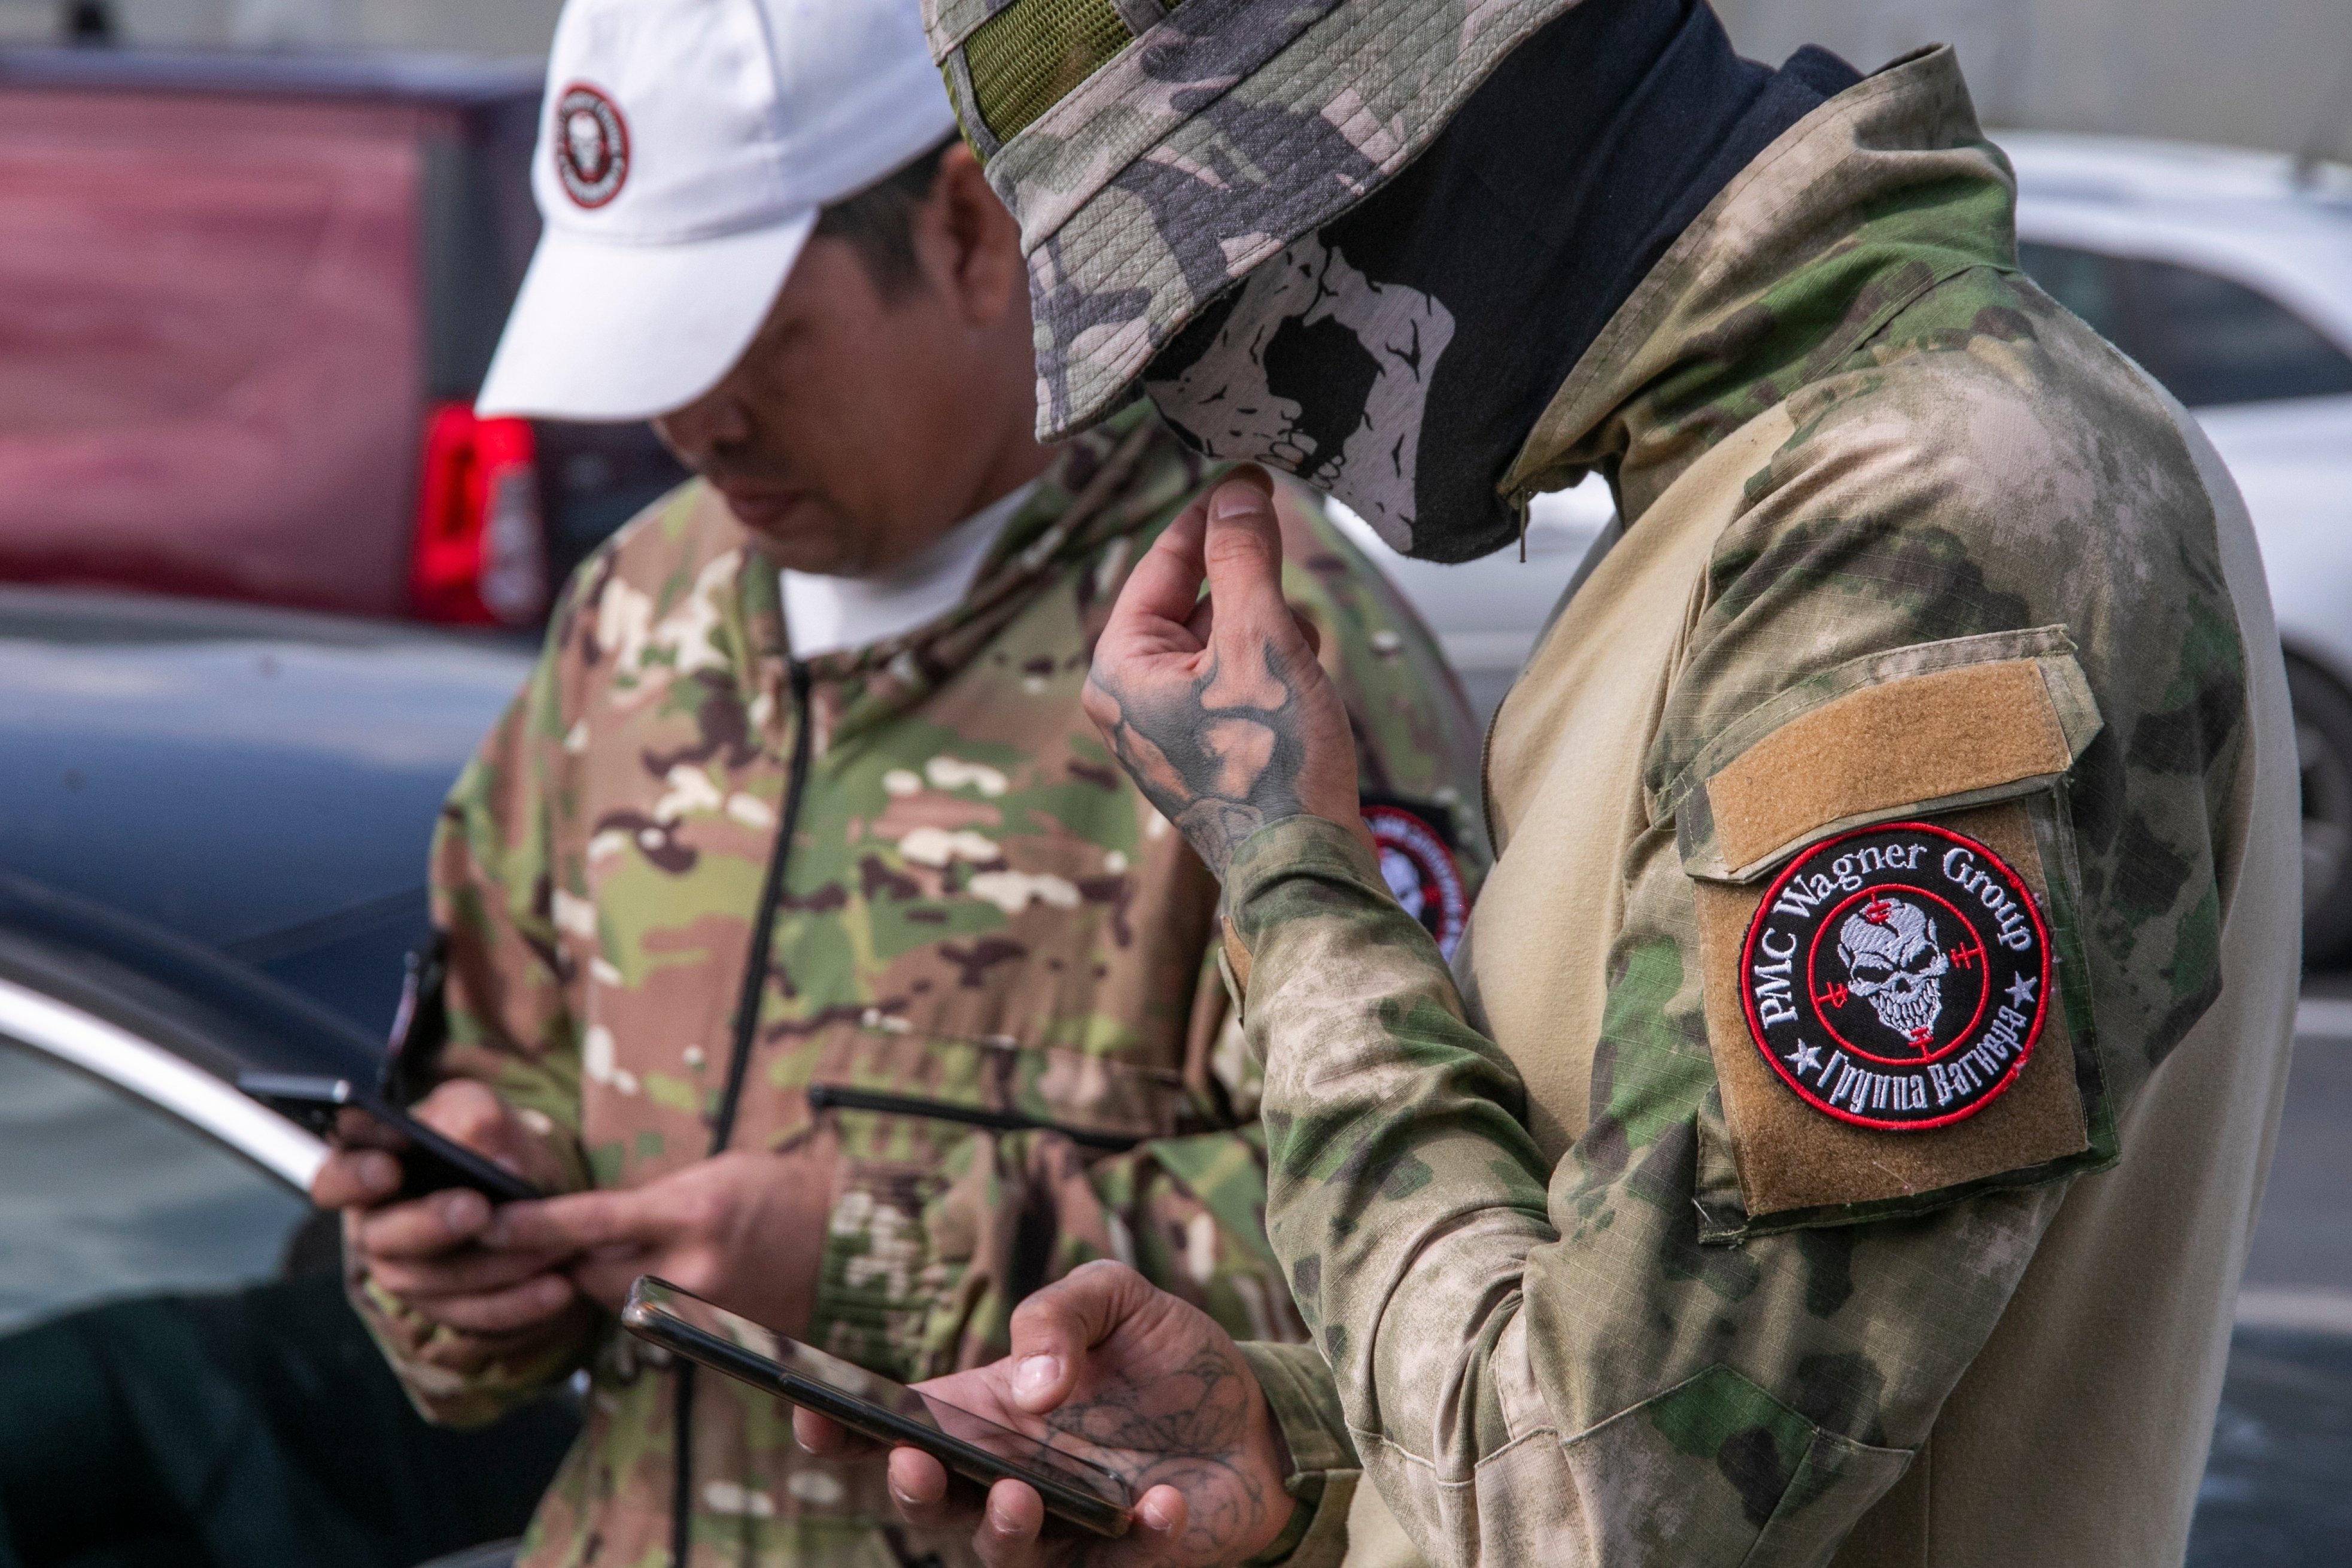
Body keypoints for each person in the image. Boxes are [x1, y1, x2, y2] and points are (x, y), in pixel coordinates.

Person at [810, 1, 2302, 1564]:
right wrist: (1300, 1451)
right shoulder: (1755, 486)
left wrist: (1287, 873)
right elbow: (1647, 1395)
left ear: (1430, 138)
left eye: (1202, 309)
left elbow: (1586, 1506)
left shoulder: (1932, 517)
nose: (1208, 417)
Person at [305, 2, 1488, 1566]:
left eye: (740, 341)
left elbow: (1437, 1299)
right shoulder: (632, 619)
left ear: (967, 228)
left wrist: (868, 1252)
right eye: (645, 353)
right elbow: (493, 1063)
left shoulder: (1254, 668)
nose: (689, 419)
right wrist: (461, 1230)